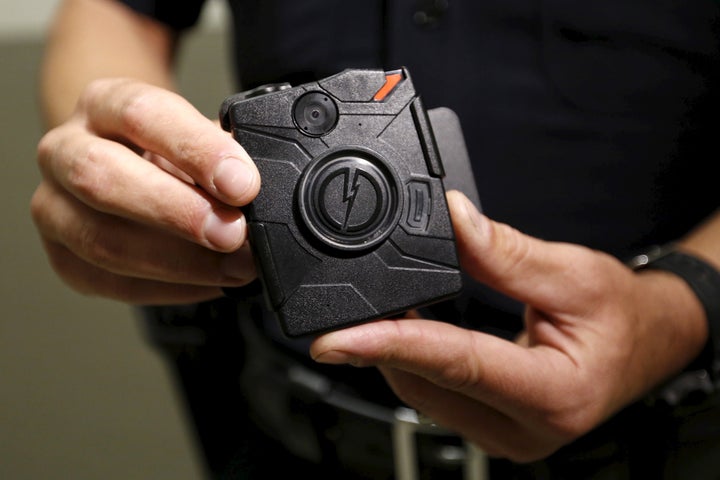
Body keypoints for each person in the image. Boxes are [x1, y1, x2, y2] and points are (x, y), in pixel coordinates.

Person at [31, 0, 720, 478]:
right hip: (278, 431)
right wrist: (119, 156)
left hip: (660, 435)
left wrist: (679, 306)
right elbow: (119, 9)